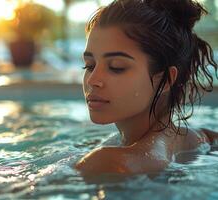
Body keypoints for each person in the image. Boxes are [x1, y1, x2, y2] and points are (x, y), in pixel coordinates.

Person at [75, 0, 218, 176]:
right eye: (89, 65)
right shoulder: (196, 139)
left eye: (116, 67)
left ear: (166, 80)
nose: (93, 80)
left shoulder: (110, 163)